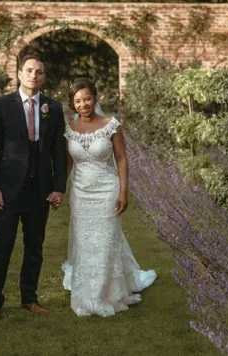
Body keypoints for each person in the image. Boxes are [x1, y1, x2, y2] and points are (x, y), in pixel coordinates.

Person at [62, 77, 156, 317]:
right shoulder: (69, 129)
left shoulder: (111, 124)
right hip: (80, 194)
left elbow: (122, 159)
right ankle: (87, 292)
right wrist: (58, 189)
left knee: (105, 241)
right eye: (78, 101)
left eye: (87, 98)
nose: (83, 104)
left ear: (95, 98)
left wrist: (123, 191)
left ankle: (105, 294)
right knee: (85, 242)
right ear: (73, 104)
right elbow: (68, 162)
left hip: (107, 190)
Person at [0, 53, 67, 320]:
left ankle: (29, 298)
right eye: (29, 70)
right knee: (3, 244)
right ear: (19, 74)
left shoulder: (53, 108)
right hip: (8, 189)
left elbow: (58, 150)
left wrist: (58, 187)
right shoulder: (1, 105)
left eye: (39, 71)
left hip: (39, 189)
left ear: (44, 77)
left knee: (35, 246)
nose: (34, 75)